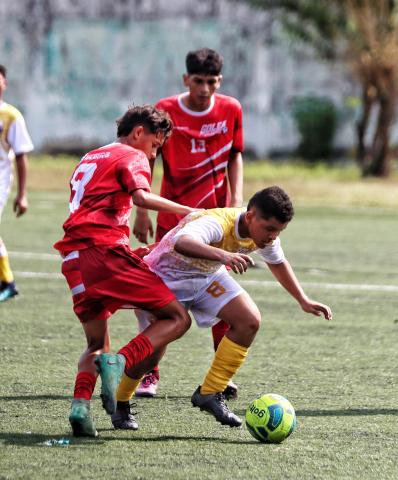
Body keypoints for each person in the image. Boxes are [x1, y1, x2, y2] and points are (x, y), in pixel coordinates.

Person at [97, 186, 332, 430]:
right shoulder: (216, 222)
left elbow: (278, 262)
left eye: (278, 231)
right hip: (164, 278)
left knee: (249, 320)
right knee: (150, 358)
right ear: (250, 216)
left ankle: (210, 392)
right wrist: (223, 255)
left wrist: (303, 300)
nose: (272, 236)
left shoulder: (265, 236)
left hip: (206, 277)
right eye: (270, 229)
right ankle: (121, 400)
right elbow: (182, 242)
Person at [54, 105, 198, 438]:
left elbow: (93, 212)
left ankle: (80, 408)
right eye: (155, 146)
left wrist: (129, 251)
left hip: (74, 260)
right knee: (177, 317)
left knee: (95, 345)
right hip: (101, 254)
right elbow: (142, 198)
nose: (153, 154)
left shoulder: (91, 156)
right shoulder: (130, 156)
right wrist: (188, 211)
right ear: (139, 133)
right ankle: (120, 364)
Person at [133, 47, 244, 398]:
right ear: (186, 79)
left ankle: (220, 374)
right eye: (198, 81)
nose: (205, 88)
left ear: (219, 81)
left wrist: (236, 203)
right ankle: (149, 372)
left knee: (223, 293)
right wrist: (142, 209)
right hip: (173, 222)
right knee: (159, 299)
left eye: (212, 82)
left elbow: (235, 156)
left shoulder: (231, 109)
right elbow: (148, 157)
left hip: (215, 223)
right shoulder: (166, 110)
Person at [0, 64, 33, 302]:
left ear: (4, 83)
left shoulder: (11, 116)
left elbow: (21, 155)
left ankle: (8, 282)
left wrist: (22, 194)